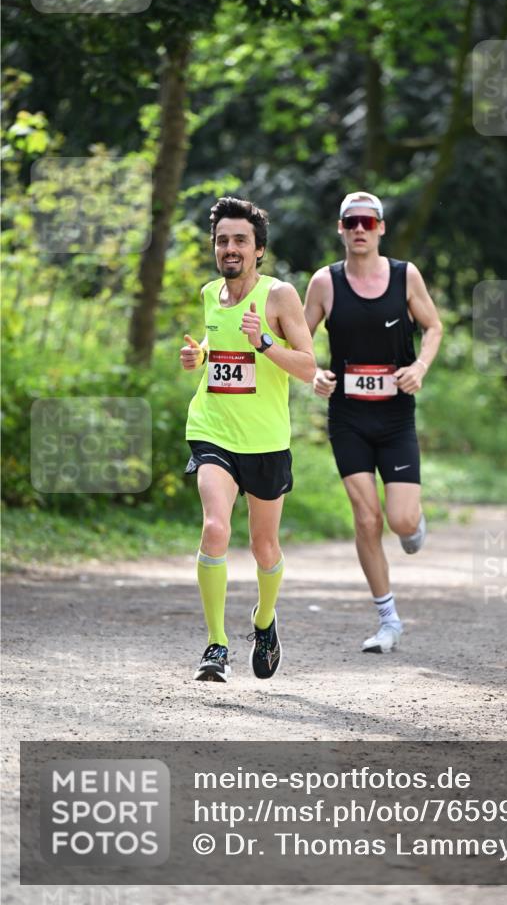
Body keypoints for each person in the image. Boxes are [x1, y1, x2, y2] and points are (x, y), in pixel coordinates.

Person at [181, 196, 316, 682]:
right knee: (216, 528)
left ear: (259, 249)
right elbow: (217, 348)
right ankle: (216, 646)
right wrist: (199, 357)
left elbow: (307, 367)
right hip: (212, 427)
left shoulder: (280, 296)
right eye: (222, 241)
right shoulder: (209, 294)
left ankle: (264, 620)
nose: (230, 248)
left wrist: (265, 343)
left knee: (264, 547)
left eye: (240, 241)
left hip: (265, 440)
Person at [304, 191, 443, 653]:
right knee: (367, 518)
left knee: (401, 521)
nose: (359, 229)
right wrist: (315, 374)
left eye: (368, 221)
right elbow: (300, 340)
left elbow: (434, 327)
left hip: (396, 416)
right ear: (340, 229)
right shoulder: (324, 282)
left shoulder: (406, 277)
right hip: (347, 417)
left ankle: (413, 525)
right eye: (351, 222)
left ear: (381, 228)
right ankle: (389, 620)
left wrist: (420, 367)